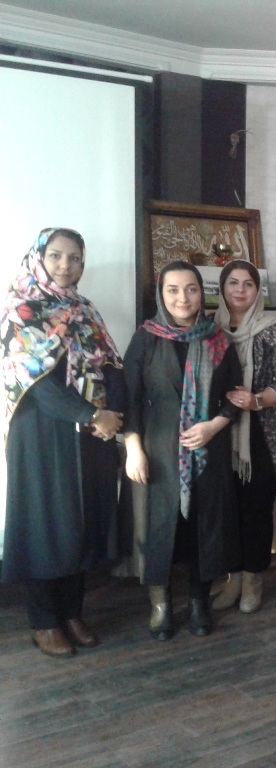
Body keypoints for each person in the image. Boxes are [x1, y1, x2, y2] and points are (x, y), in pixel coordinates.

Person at [0, 228, 124, 657]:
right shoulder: (21, 309)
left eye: (74, 258)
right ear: (39, 257)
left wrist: (112, 418)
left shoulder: (84, 309)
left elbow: (110, 364)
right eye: (56, 256)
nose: (65, 266)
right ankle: (44, 620)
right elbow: (36, 385)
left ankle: (72, 612)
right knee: (45, 524)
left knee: (82, 521)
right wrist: (91, 414)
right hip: (41, 435)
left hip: (90, 435)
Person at [123, 261, 242, 640]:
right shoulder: (146, 338)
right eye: (172, 290)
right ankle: (160, 604)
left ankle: (197, 602)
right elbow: (129, 399)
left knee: (202, 530)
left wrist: (213, 426)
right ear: (161, 294)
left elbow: (235, 395)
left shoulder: (218, 339)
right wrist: (133, 449)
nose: (183, 298)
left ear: (201, 293)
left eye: (191, 289)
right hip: (157, 449)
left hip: (208, 448)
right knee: (157, 527)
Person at [211, 261, 276, 613]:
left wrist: (257, 400)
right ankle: (233, 579)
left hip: (263, 435)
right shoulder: (210, 330)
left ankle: (253, 580)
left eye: (248, 284)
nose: (240, 290)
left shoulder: (273, 330)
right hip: (220, 434)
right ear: (222, 289)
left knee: (256, 510)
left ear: (258, 291)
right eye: (232, 283)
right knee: (227, 510)